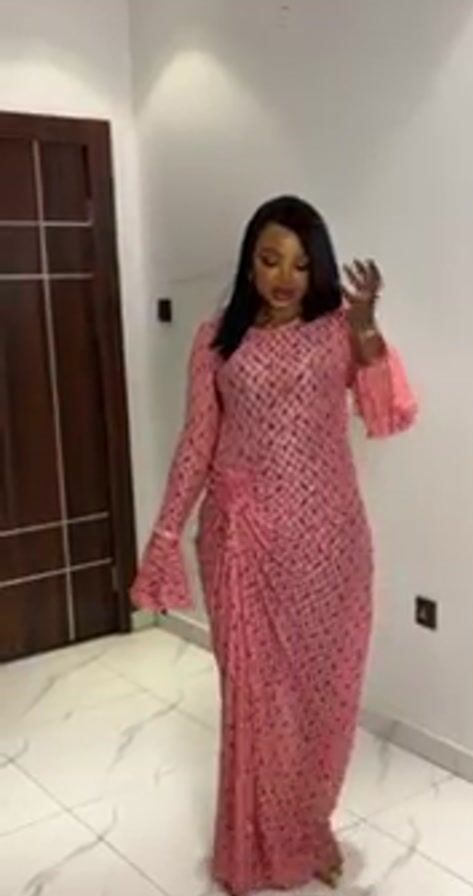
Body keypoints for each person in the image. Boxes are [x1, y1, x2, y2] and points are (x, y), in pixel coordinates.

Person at [130, 196, 417, 895]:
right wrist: (165, 536)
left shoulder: (338, 330)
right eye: (269, 259)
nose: (284, 277)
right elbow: (197, 444)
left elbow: (385, 413)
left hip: (330, 546)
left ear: (318, 268)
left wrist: (366, 326)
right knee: (256, 701)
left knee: (321, 695)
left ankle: (309, 828)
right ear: (249, 263)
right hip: (242, 545)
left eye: (300, 264)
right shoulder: (216, 341)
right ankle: (254, 844)